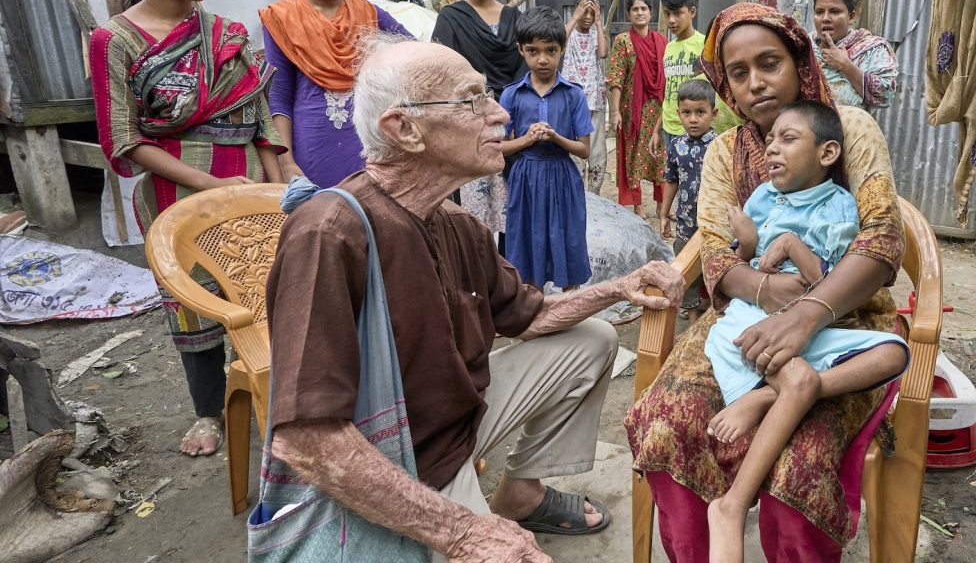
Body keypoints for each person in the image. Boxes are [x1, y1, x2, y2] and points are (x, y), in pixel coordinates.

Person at [264, 35, 684, 563]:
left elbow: (528, 318)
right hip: (399, 463)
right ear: (404, 129)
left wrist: (618, 288)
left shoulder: (456, 222)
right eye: (472, 101)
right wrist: (461, 531)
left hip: (461, 423)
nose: (500, 116)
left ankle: (521, 493)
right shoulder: (331, 233)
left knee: (593, 340)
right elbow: (306, 439)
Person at [624, 3, 907, 562]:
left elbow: (881, 241)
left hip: (843, 317)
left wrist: (807, 311)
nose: (755, 83)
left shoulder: (848, 129)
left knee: (803, 463)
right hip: (742, 319)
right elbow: (714, 255)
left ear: (800, 62)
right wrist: (763, 288)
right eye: (738, 72)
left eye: (769, 63)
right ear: (725, 84)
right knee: (666, 425)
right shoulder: (726, 153)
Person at [89, 0, 284, 457]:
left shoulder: (228, 34)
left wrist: (280, 192)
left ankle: (282, 395)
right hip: (179, 195)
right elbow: (124, 137)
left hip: (252, 188)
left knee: (268, 291)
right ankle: (209, 411)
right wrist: (209, 185)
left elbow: (260, 118)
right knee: (192, 302)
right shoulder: (115, 40)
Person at [703, 101, 908, 561]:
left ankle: (765, 396)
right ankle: (731, 505)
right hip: (750, 321)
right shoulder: (759, 198)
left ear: (828, 152)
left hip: (812, 324)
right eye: (770, 140)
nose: (772, 148)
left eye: (788, 139)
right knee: (797, 377)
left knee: (894, 353)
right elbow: (742, 259)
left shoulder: (840, 205)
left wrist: (794, 245)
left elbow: (824, 282)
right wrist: (750, 242)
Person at [260, 0, 412, 188]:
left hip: (369, 144)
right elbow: (280, 95)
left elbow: (415, 56)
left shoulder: (369, 13)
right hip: (310, 147)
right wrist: (286, 161)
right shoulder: (282, 18)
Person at [431, 0, 527, 243]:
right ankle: (473, 281)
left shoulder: (514, 18)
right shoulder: (450, 19)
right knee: (470, 220)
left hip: (510, 127)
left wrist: (508, 113)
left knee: (511, 216)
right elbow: (442, 74)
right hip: (469, 128)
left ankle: (508, 279)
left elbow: (526, 73)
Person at [500, 7, 593, 290]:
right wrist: (526, 140)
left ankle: (572, 307)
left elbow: (584, 150)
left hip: (563, 177)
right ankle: (534, 308)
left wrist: (556, 137)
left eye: (551, 51)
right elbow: (499, 147)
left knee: (568, 237)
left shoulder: (573, 94)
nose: (542, 59)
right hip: (525, 177)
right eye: (533, 51)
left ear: (562, 49)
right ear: (521, 50)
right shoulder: (512, 94)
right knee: (529, 239)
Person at [661, 79, 717, 322]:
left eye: (700, 112)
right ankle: (693, 317)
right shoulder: (676, 145)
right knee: (687, 274)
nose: (693, 119)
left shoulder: (719, 145)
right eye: (687, 113)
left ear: (713, 114)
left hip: (714, 225)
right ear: (678, 114)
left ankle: (715, 311)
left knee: (714, 268)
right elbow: (671, 179)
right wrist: (664, 213)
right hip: (685, 224)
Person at [607, 0, 668, 218]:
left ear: (651, 13)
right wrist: (615, 112)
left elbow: (667, 77)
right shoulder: (623, 41)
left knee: (661, 157)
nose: (640, 12)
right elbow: (616, 78)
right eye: (635, 9)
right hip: (632, 111)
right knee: (633, 157)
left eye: (644, 8)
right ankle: (638, 205)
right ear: (629, 14)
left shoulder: (662, 41)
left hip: (659, 110)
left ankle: (663, 206)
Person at [812, 0, 899, 110]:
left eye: (834, 11)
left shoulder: (871, 49)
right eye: (819, 12)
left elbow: (885, 96)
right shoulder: (804, 45)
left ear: (851, 16)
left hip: (849, 128)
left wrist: (846, 65)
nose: (825, 18)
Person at [655, 0, 706, 176]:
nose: (671, 20)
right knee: (673, 179)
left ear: (692, 12)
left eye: (677, 13)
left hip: (694, 127)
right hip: (670, 127)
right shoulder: (669, 48)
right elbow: (669, 93)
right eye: (667, 14)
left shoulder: (704, 44)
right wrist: (657, 129)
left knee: (695, 180)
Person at [562, 0, 609, 194]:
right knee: (575, 153)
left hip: (595, 101)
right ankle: (577, 194)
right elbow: (557, 41)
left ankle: (594, 195)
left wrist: (599, 23)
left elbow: (603, 53)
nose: (588, 17)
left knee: (597, 152)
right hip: (573, 103)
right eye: (585, 12)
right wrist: (575, 17)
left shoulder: (596, 34)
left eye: (592, 13)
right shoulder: (569, 33)